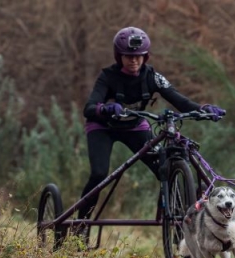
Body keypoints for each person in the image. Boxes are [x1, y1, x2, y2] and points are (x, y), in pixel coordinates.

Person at [76, 26, 225, 236]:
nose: (134, 60)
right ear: (119, 56)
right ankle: (80, 224)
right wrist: (105, 108)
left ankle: (177, 222)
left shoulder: (152, 77)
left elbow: (178, 100)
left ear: (145, 56)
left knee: (163, 168)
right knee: (100, 174)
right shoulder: (107, 77)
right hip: (103, 128)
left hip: (135, 126)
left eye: (139, 56)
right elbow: (88, 108)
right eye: (128, 56)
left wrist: (203, 109)